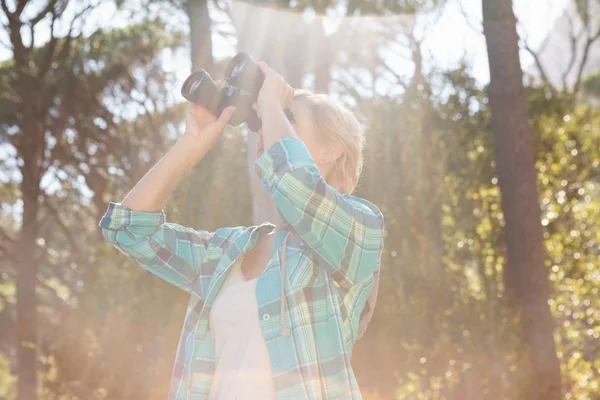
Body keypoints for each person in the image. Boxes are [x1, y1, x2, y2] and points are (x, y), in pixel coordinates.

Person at [99, 61, 385, 400]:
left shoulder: (361, 229)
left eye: (287, 117)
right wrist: (192, 144)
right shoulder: (229, 250)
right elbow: (130, 229)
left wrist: (270, 103)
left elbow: (296, 182)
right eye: (265, 119)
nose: (266, 125)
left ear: (332, 149)